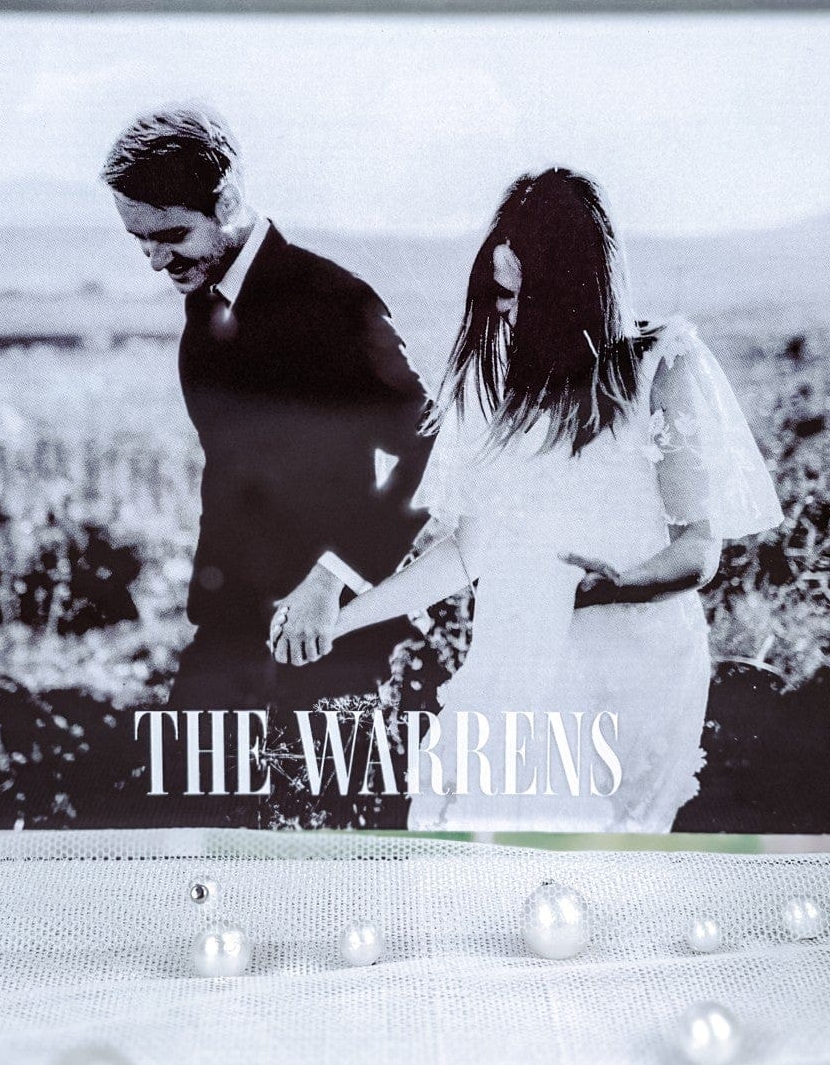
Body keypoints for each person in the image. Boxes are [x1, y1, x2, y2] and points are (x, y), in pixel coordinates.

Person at [308, 167, 783, 833]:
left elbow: (698, 548)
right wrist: (342, 621)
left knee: (583, 865)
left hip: (628, 673)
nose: (505, 314)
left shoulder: (661, 366)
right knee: (463, 846)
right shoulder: (500, 393)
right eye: (497, 295)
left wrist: (616, 586)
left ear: (575, 290)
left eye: (519, 297)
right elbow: (467, 553)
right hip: (513, 663)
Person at [102, 105, 434, 799]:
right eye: (140, 241)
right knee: (182, 816)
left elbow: (429, 442)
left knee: (323, 830)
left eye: (171, 235)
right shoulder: (204, 307)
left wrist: (333, 578)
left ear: (225, 201)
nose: (156, 260)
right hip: (226, 630)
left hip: (335, 635)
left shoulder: (334, 301)